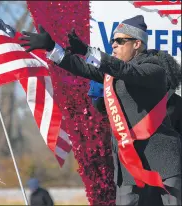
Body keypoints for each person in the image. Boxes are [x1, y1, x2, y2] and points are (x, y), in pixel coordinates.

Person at [19, 15, 181, 205]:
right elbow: (82, 67)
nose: (113, 45)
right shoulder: (115, 72)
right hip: (130, 161)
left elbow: (128, 72)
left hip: (163, 159)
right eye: (113, 41)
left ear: (137, 44)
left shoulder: (154, 69)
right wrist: (52, 47)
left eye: (120, 41)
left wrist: (88, 51)